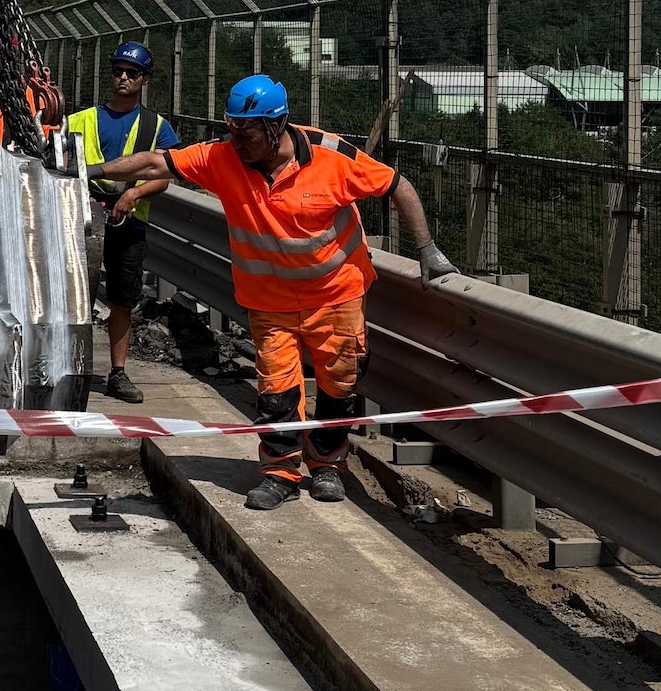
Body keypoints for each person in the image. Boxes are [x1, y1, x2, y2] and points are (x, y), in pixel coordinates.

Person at [94, 74, 457, 511]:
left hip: (335, 293)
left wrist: (427, 249)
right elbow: (155, 163)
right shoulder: (222, 157)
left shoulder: (332, 157)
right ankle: (279, 472)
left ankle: (327, 466)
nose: (236, 141)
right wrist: (88, 168)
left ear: (275, 126)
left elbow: (398, 186)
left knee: (338, 385)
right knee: (276, 388)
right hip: (269, 301)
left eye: (245, 132)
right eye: (230, 129)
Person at [66, 41, 179, 405]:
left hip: (129, 221)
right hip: (84, 215)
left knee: (121, 299)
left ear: (144, 79)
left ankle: (117, 372)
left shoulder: (156, 126)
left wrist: (133, 195)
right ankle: (70, 368)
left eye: (131, 74)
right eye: (117, 72)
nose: (123, 79)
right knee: (76, 294)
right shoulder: (81, 120)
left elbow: (165, 174)